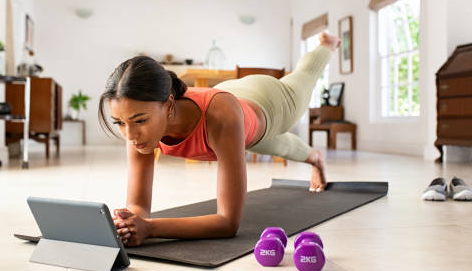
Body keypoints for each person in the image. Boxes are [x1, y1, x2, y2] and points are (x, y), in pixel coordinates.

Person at [99, 32, 341, 246]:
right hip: (242, 121)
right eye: (119, 123)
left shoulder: (222, 118)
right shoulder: (137, 128)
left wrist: (151, 229)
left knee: (303, 78)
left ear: (169, 105)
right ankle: (315, 157)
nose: (129, 135)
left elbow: (227, 222)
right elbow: (139, 209)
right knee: (278, 145)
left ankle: (327, 44)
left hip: (268, 102)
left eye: (140, 121)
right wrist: (129, 222)